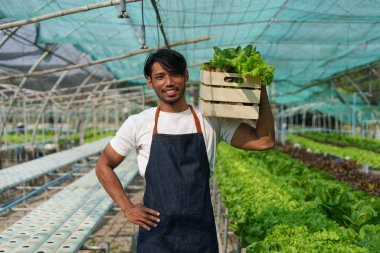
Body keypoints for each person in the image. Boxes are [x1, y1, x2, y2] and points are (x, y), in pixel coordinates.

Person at [95, 49, 275, 252]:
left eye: (175, 74)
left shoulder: (211, 120)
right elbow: (103, 165)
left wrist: (260, 90)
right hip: (156, 236)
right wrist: (127, 207)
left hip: (199, 236)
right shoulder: (138, 123)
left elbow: (264, 141)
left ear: (186, 76)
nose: (168, 82)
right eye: (160, 77)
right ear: (149, 82)